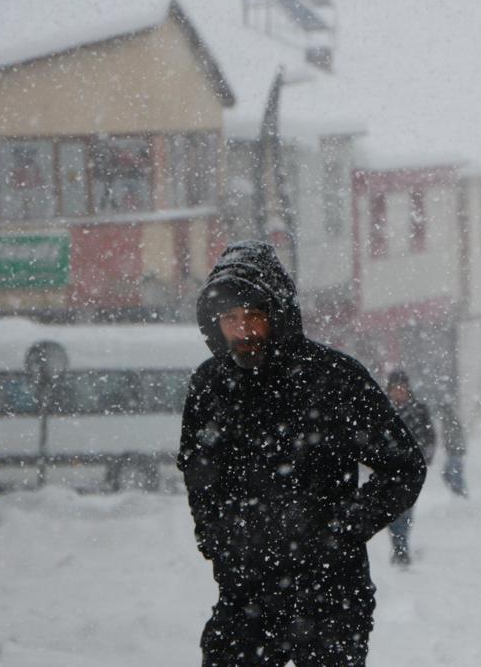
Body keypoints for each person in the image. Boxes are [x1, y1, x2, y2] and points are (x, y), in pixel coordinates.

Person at [178, 241, 427, 666]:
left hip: (331, 598)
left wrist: (340, 531)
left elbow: (404, 467)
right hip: (246, 597)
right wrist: (218, 540)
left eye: (254, 316)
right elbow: (198, 471)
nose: (243, 330)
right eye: (230, 319)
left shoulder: (334, 379)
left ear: (278, 314)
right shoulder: (210, 386)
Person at [385, 370, 436, 567]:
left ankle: (401, 547)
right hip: (388, 469)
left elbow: (429, 435)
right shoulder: (382, 410)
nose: (399, 392)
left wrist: (425, 456)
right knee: (392, 511)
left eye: (402, 388)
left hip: (410, 469)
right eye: (395, 389)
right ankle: (399, 546)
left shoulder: (419, 410)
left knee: (406, 510)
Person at [438, 400, 469, 498]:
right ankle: (459, 493)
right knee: (450, 474)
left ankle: (461, 494)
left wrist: (452, 447)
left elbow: (455, 436)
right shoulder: (448, 420)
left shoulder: (450, 420)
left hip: (455, 451)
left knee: (454, 474)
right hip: (454, 451)